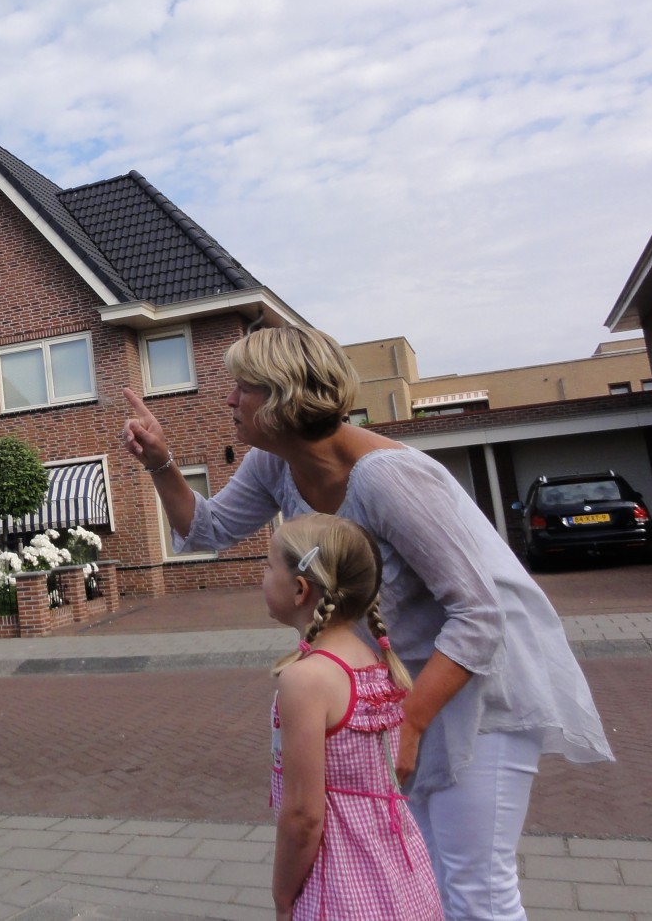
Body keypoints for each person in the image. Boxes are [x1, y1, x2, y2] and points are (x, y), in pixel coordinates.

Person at [123, 323, 612, 921]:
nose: (227, 400)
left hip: (483, 689)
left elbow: (481, 613)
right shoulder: (274, 464)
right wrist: (162, 462)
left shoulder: (388, 478)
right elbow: (207, 529)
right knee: (425, 880)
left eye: (242, 387)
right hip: (413, 694)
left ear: (282, 398)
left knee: (476, 890)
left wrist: (410, 720)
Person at [265, 512, 441, 921]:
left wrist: (282, 896)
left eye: (268, 566)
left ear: (299, 589)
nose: (262, 576)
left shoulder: (305, 680)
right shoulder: (374, 660)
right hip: (400, 873)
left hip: (341, 883)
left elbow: (304, 816)